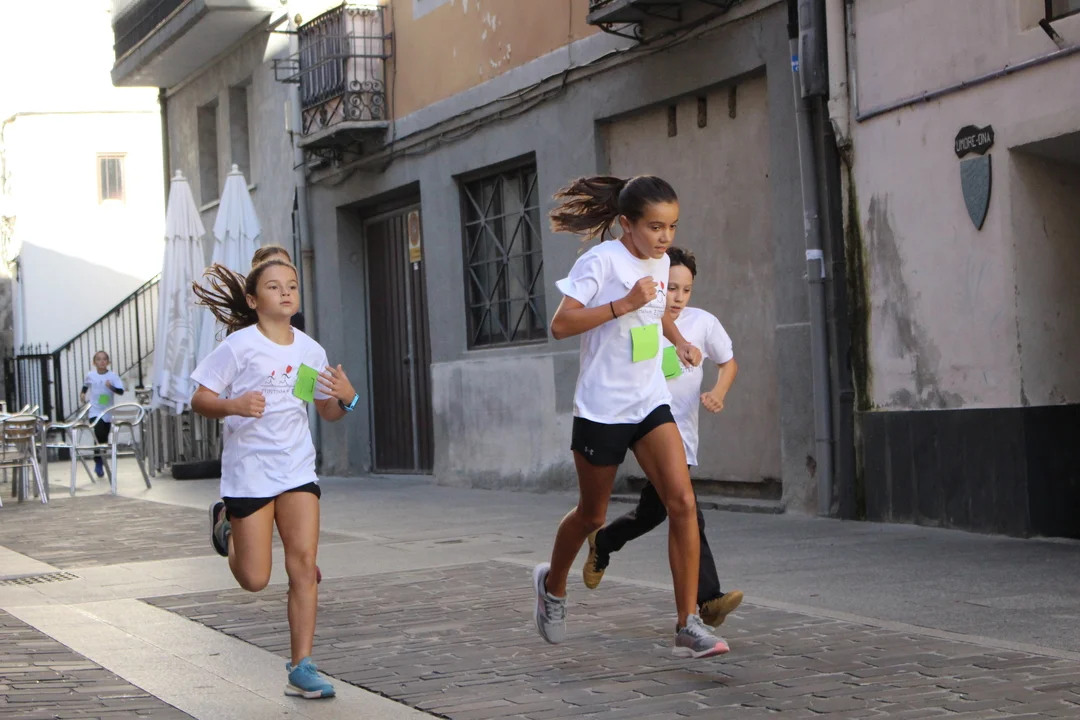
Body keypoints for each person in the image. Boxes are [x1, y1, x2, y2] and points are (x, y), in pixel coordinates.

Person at [533, 175, 729, 660]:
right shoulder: (600, 261)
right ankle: (552, 585)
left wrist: (678, 340)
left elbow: (656, 310)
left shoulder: (660, 261)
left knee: (682, 503)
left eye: (672, 227)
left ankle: (687, 623)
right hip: (602, 407)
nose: (665, 237)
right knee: (592, 515)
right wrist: (623, 304)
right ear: (627, 223)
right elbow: (560, 324)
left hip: (649, 401)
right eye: (655, 227)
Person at [190, 257, 360, 699]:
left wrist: (347, 399)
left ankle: (302, 666)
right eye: (273, 286)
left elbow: (323, 410)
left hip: (296, 469)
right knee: (254, 579)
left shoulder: (309, 351)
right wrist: (233, 405)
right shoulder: (239, 347)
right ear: (253, 300)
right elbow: (200, 399)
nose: (286, 292)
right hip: (249, 474)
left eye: (292, 285)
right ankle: (227, 524)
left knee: (303, 564)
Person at [583, 246, 743, 628]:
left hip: (684, 437)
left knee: (653, 512)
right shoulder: (643, 319)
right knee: (687, 509)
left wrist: (719, 393)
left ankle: (604, 542)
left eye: (686, 289)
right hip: (650, 433)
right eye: (671, 288)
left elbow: (729, 363)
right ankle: (707, 599)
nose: (678, 297)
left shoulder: (703, 323)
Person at [80, 351, 125, 478]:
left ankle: (101, 459)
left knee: (103, 438)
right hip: (94, 410)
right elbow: (86, 385)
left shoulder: (113, 376)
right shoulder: (91, 375)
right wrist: (83, 393)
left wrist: (111, 387)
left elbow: (121, 391)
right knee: (98, 433)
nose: (102, 362)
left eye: (104, 359)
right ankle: (98, 462)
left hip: (107, 411)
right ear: (94, 362)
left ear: (108, 362)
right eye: (99, 359)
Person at [251, 245, 306, 332]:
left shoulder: (297, 320)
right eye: (273, 287)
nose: (285, 292)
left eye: (292, 287)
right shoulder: (243, 323)